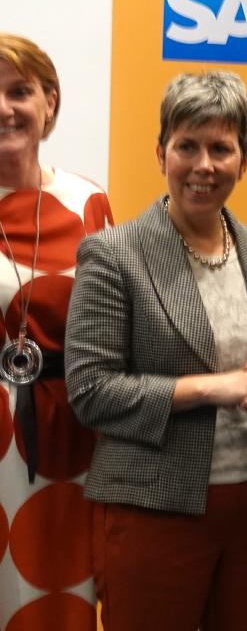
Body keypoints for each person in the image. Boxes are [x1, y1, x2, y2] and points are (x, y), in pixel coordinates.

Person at [64, 71, 247, 631]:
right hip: (152, 512)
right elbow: (91, 391)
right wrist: (210, 387)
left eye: (221, 148)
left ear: (245, 159)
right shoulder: (112, 253)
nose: (204, 165)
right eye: (187, 146)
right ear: (160, 152)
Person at [0, 33, 113, 630]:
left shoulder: (89, 201)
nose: (4, 108)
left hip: (70, 438)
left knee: (59, 599)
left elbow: (114, 332)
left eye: (19, 91)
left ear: (49, 101)